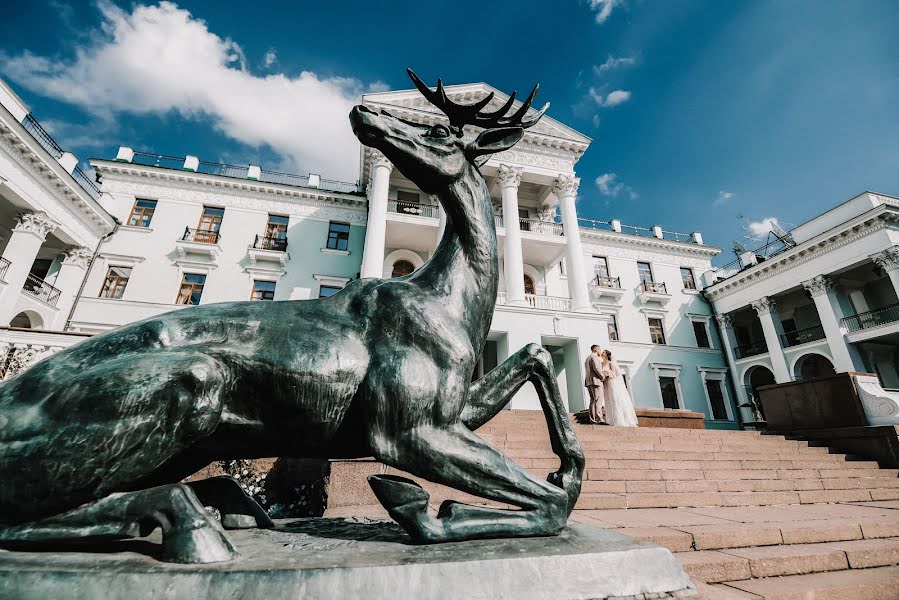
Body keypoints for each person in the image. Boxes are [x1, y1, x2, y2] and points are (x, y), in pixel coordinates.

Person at [601, 349, 638, 427]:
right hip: (606, 385)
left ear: (607, 355)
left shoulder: (610, 363)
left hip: (611, 383)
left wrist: (608, 374)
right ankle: (611, 420)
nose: (602, 353)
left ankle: (619, 420)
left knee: (615, 400)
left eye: (603, 352)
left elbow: (616, 374)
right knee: (609, 401)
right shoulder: (601, 364)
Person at [583, 345, 606, 424]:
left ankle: (592, 419)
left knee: (593, 400)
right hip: (596, 381)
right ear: (596, 349)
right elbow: (596, 368)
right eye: (600, 349)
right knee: (598, 400)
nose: (600, 351)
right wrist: (602, 377)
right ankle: (598, 419)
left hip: (589, 382)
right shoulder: (595, 357)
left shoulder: (587, 358)